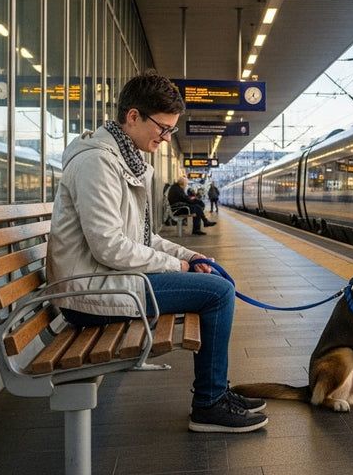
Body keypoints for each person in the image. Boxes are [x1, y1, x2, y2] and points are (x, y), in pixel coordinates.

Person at [46, 71, 267, 433]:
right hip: (89, 293)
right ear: (133, 116)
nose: (165, 139)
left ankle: (214, 393)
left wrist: (191, 257)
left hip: (104, 281)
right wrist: (177, 264)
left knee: (211, 281)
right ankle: (209, 403)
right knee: (218, 294)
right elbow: (109, 246)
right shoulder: (98, 164)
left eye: (170, 131)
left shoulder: (121, 158)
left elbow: (142, 237)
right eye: (162, 129)